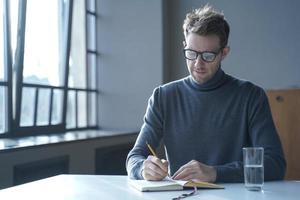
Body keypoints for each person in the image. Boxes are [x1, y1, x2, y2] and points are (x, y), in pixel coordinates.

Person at [126, 4, 286, 183]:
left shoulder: (251, 96)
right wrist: (143, 169)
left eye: (208, 55)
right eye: (191, 53)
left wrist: (216, 173)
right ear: (184, 46)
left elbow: (275, 164)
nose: (198, 64)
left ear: (224, 53)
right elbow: (134, 158)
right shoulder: (163, 96)